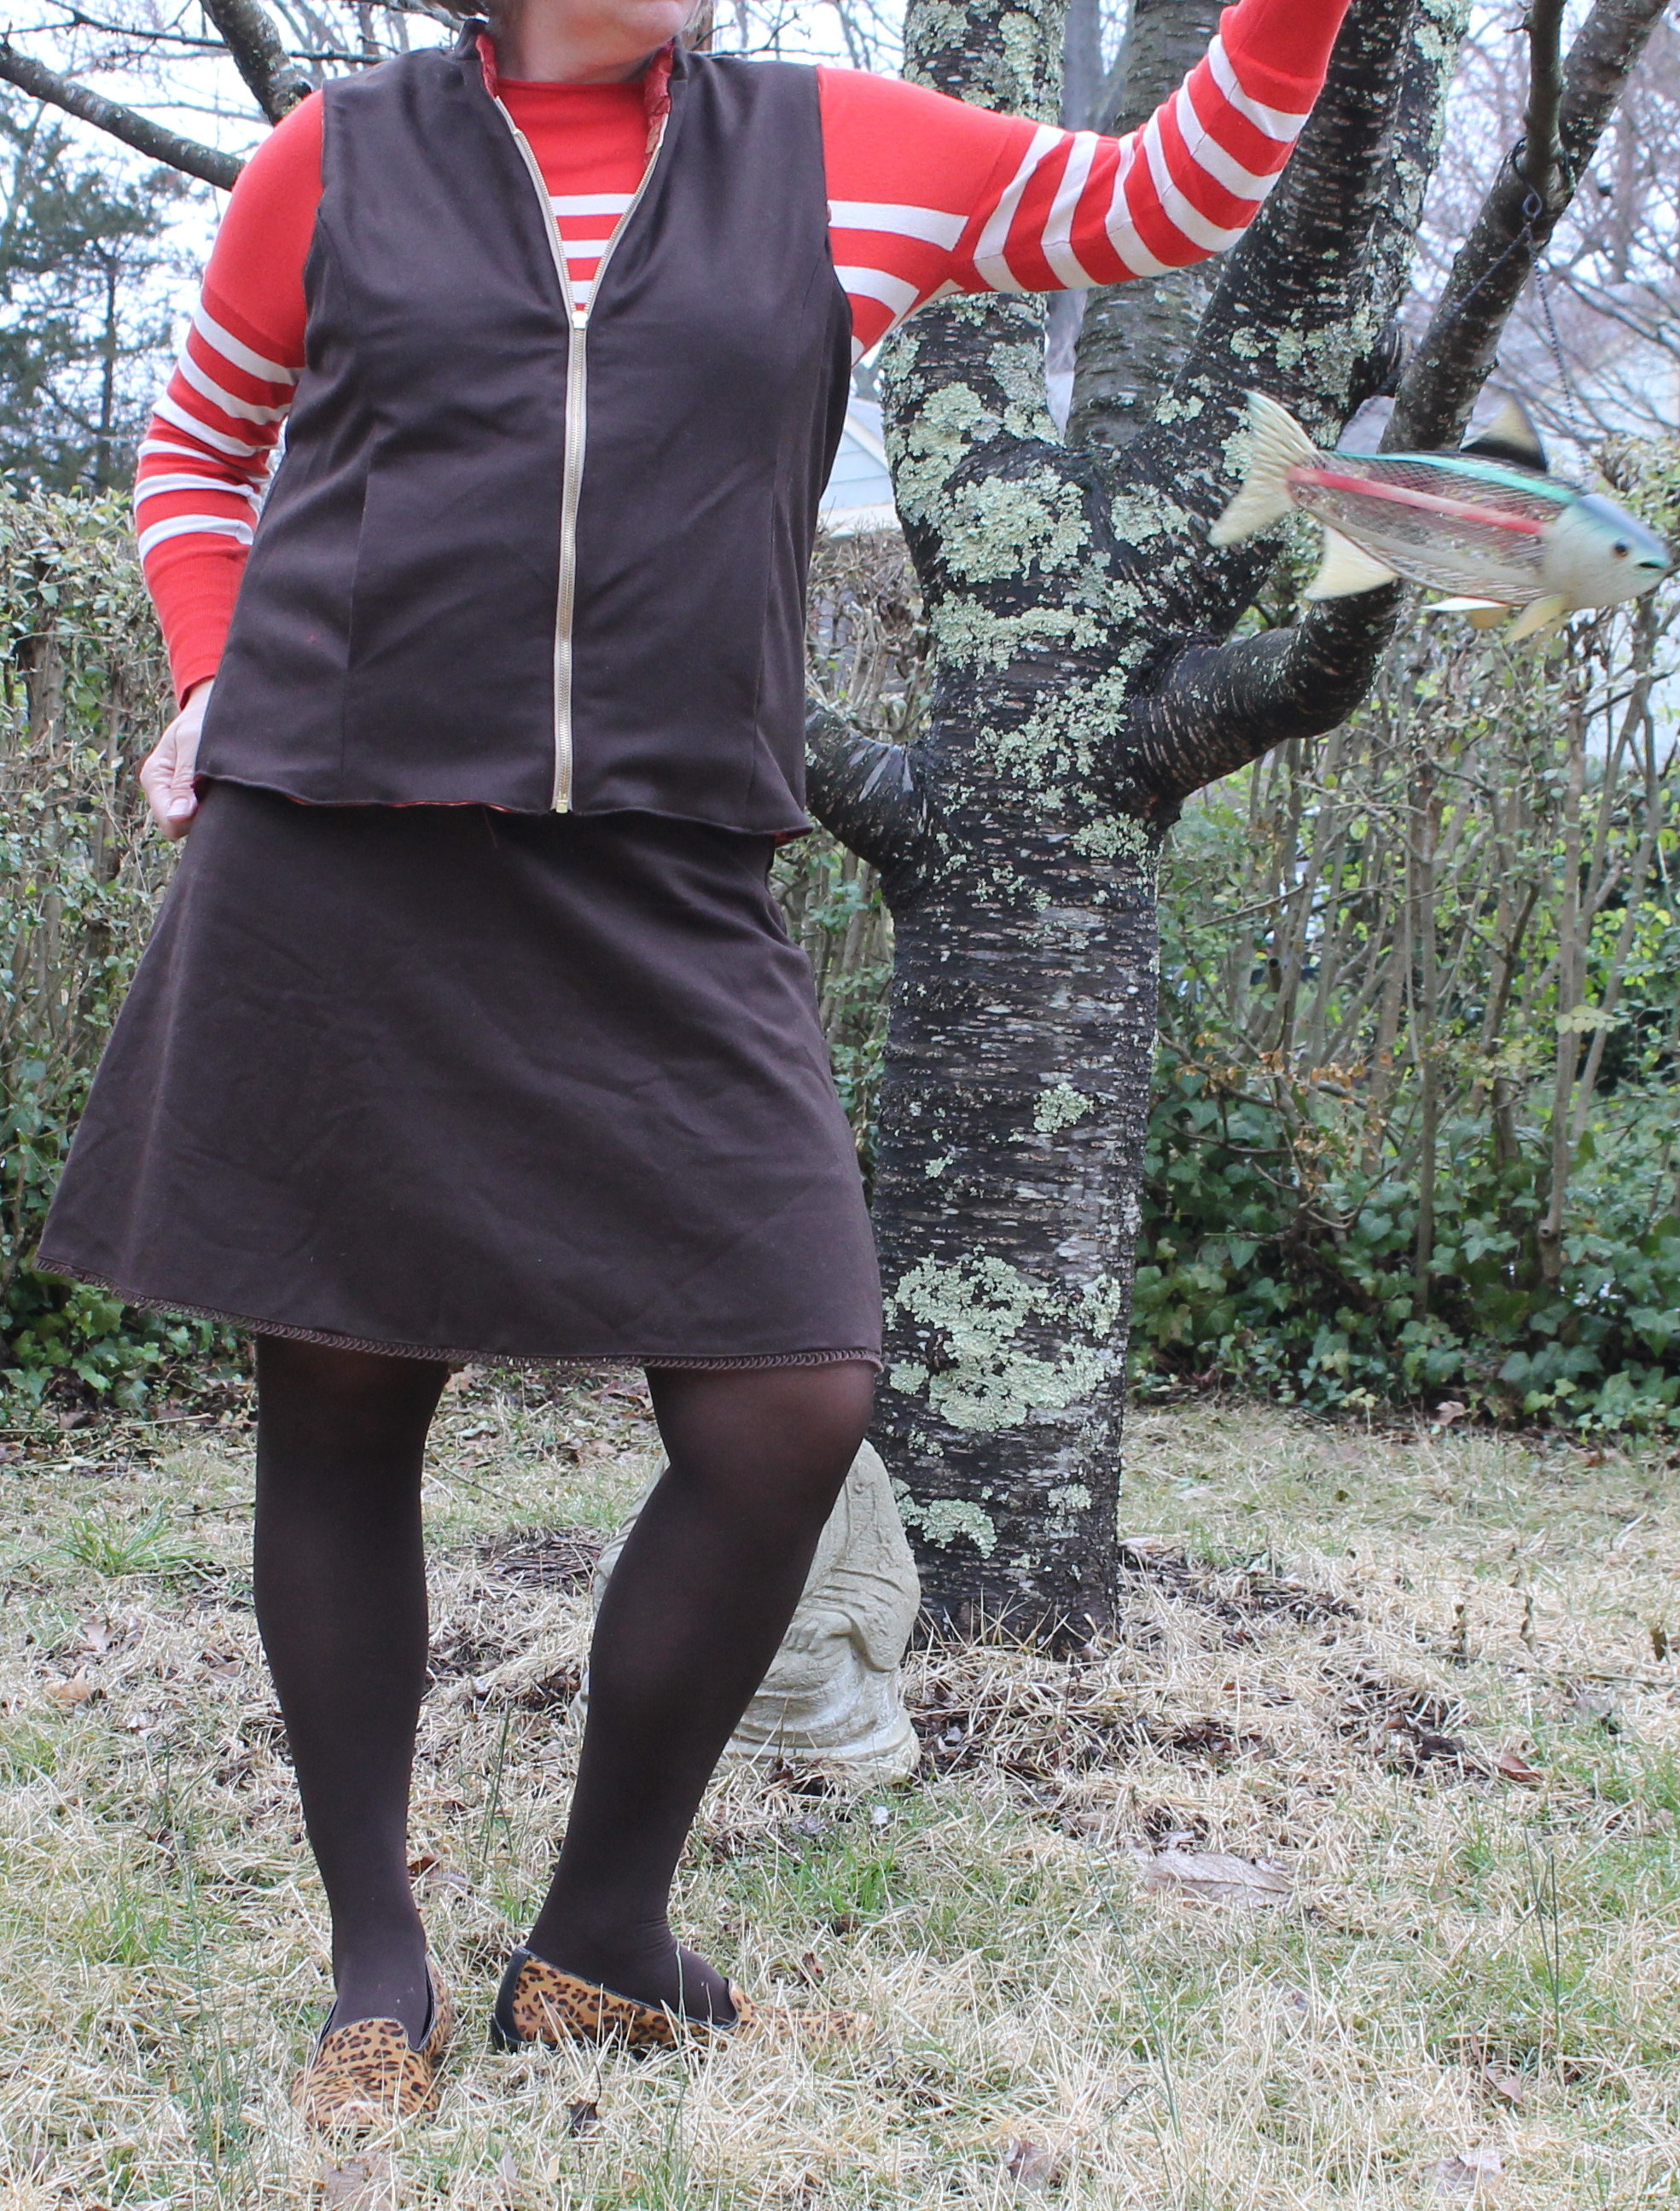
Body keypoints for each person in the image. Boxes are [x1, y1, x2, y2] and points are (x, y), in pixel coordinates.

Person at [38, 0, 1352, 2127]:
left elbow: (1164, 196)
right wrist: (206, 677)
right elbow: (198, 450)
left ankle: (600, 1940)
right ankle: (376, 1964)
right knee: (347, 1390)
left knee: (791, 1392)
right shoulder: (336, 160)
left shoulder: (837, 151)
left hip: (665, 862)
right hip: (346, 837)